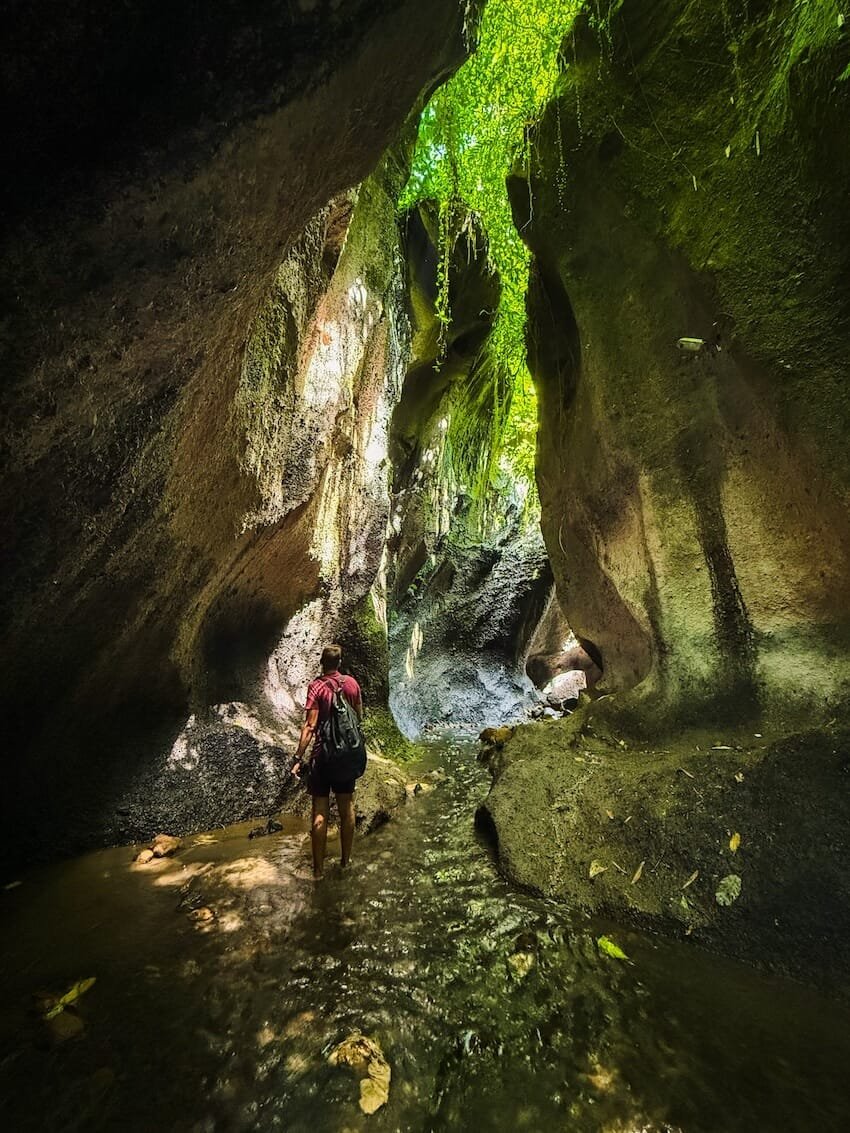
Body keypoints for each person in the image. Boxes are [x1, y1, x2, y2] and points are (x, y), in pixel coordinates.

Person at [292, 644, 363, 880]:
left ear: (322, 662)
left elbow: (310, 726)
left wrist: (298, 757)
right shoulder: (352, 684)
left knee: (320, 812)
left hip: (322, 757)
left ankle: (319, 871)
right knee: (347, 808)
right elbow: (358, 717)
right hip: (346, 756)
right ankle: (345, 861)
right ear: (340, 663)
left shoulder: (316, 686)